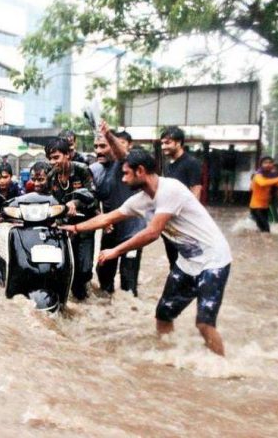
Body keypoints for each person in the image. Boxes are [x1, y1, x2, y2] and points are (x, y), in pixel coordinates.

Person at [62, 149, 232, 355]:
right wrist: (75, 228)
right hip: (188, 262)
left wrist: (116, 250)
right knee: (163, 314)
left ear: (140, 171)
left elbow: (152, 233)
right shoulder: (141, 200)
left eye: (126, 173)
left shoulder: (170, 189)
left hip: (214, 260)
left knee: (204, 323)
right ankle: (168, 356)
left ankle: (221, 365)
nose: (123, 179)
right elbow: (107, 218)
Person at [90, 121, 145, 297]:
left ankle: (131, 310)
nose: (98, 151)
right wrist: (101, 218)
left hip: (133, 232)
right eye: (96, 147)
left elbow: (123, 154)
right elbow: (92, 200)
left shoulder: (124, 165)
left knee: (128, 281)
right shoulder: (94, 170)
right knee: (103, 275)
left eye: (103, 146)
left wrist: (109, 135)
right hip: (110, 230)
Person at [45, 138, 99, 300]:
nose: (53, 162)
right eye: (50, 158)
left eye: (56, 157)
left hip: (85, 226)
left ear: (67, 155)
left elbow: (93, 196)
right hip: (63, 228)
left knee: (84, 269)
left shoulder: (82, 170)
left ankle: (85, 298)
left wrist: (75, 203)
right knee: (65, 267)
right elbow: (50, 202)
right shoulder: (51, 177)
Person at [160, 126, 202, 268]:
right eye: (162, 143)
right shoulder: (168, 164)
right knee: (173, 260)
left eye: (167, 143)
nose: (163, 147)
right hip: (170, 219)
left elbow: (196, 191)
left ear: (178, 143)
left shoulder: (191, 163)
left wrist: (190, 219)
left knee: (187, 260)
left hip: (184, 220)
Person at [249, 156, 278, 232]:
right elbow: (263, 183)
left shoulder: (272, 177)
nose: (268, 164)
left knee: (264, 230)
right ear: (261, 165)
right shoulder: (257, 175)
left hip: (265, 207)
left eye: (270, 163)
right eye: (265, 163)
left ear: (273, 165)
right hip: (256, 207)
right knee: (266, 230)